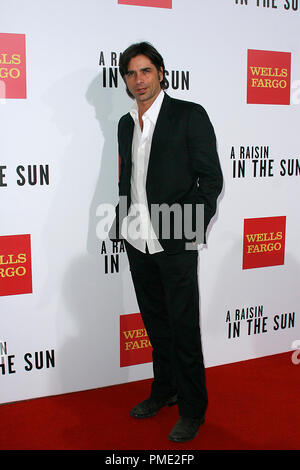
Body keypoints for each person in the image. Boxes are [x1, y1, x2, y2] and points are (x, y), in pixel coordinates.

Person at [110, 42, 223, 443]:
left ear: (160, 72)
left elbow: (211, 181)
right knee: (157, 327)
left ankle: (193, 409)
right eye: (130, 73)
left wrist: (186, 229)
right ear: (124, 79)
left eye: (145, 71)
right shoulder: (125, 123)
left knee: (184, 329)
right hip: (137, 242)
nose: (138, 80)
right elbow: (130, 181)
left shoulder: (189, 116)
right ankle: (165, 390)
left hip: (175, 241)